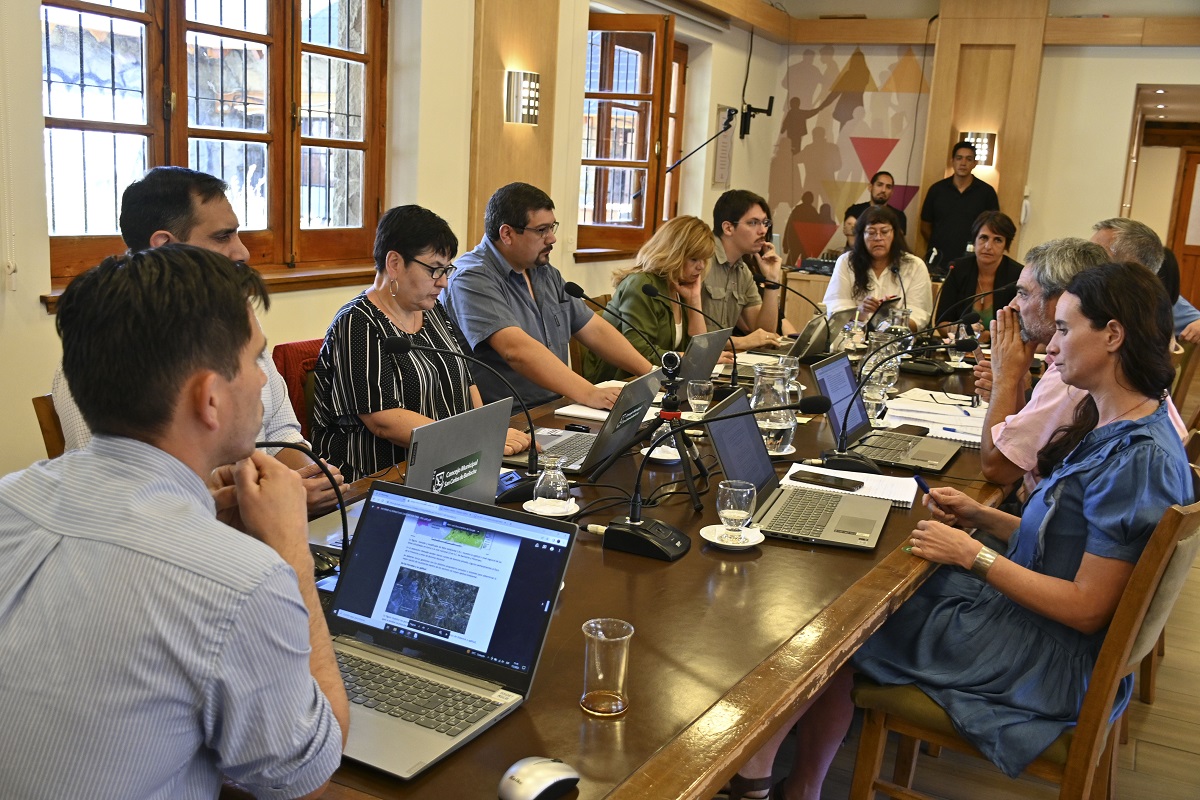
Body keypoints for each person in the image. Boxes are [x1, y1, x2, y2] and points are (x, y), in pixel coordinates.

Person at [723, 260, 1194, 800]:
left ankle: (760, 776)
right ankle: (789, 781)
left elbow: (1088, 606)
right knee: (861, 597)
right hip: (1033, 626)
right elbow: (1067, 539)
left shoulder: (1138, 460)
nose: (1051, 347)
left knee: (842, 617)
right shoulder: (1120, 422)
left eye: (1064, 330)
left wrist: (974, 555)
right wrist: (982, 518)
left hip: (1044, 660)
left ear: (1113, 336)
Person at [0, 245, 347, 797]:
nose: (264, 382)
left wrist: (202, 514)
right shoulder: (241, 581)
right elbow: (304, 772)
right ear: (210, 399)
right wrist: (290, 556)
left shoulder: (9, 499)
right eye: (256, 360)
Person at [50, 166, 343, 512]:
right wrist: (261, 500)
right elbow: (118, 497)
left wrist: (303, 481)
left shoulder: (237, 321)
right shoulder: (106, 358)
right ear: (165, 245)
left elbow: (280, 430)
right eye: (222, 237)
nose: (242, 253)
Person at [310, 205, 532, 482]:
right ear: (394, 263)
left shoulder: (432, 311)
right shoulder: (356, 323)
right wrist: (473, 439)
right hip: (381, 477)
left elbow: (466, 381)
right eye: (434, 270)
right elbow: (383, 421)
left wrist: (488, 435)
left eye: (447, 269)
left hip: (452, 462)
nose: (444, 282)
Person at [974, 237, 1187, 492]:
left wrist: (1006, 377)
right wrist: (1015, 376)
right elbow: (1023, 441)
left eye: (1023, 293)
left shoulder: (1083, 376)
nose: (1012, 306)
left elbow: (998, 468)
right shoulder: (1110, 368)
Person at [444, 183, 653, 410]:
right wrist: (589, 392)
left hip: (558, 406)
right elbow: (516, 350)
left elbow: (593, 329)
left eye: (552, 227)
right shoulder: (471, 278)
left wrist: (652, 375)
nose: (552, 238)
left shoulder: (542, 270)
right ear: (507, 234)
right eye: (542, 230)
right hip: (511, 419)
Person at [581, 215, 716, 383]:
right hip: (618, 381)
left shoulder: (680, 285)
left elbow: (699, 349)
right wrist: (684, 357)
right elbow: (640, 349)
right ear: (673, 253)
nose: (701, 266)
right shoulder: (642, 285)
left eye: (704, 259)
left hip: (657, 378)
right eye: (694, 259)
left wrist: (694, 300)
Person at [821, 205, 933, 331]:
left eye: (884, 232)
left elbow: (920, 317)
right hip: (852, 338)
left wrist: (888, 316)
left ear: (895, 234)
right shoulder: (846, 262)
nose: (878, 238)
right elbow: (834, 306)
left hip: (896, 342)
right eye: (871, 232)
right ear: (861, 236)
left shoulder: (914, 266)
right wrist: (860, 312)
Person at [1089, 216, 1200, 343]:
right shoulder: (1079, 292)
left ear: (1134, 266)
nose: (1087, 260)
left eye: (1097, 254)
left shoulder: (1157, 301)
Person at [703, 189, 787, 350]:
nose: (763, 230)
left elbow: (765, 335)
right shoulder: (702, 260)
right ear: (728, 228)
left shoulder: (742, 271)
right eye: (753, 223)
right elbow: (693, 337)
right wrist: (742, 342)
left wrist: (772, 281)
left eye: (765, 223)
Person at [934, 210, 1022, 336]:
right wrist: (963, 330)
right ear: (974, 240)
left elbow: (1023, 330)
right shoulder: (958, 269)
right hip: (960, 349)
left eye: (997, 240)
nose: (988, 246)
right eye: (983, 237)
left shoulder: (1017, 276)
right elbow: (941, 323)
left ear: (1006, 245)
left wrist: (990, 336)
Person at [919, 141, 1000, 275]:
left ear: (975, 163)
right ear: (952, 161)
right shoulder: (936, 189)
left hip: (973, 259)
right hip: (939, 258)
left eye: (969, 159)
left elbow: (993, 228)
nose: (963, 163)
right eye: (959, 158)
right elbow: (925, 226)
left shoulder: (986, 192)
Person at [845, 170, 907, 234]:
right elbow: (852, 241)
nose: (883, 190)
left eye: (888, 187)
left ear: (892, 192)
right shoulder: (854, 211)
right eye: (879, 185)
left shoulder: (899, 216)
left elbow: (897, 242)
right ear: (870, 187)